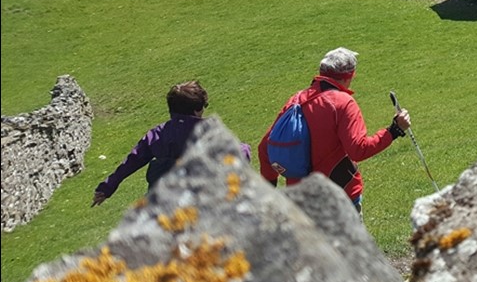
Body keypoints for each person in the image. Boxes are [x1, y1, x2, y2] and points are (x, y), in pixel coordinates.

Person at [258, 47, 410, 212]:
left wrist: (269, 189)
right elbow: (359, 149)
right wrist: (394, 131)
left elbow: (264, 147)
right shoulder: (343, 103)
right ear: (350, 76)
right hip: (339, 195)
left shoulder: (296, 100)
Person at [93, 81, 249, 206]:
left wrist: (107, 187)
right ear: (197, 109)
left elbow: (132, 160)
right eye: (204, 106)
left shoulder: (157, 133)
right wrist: (246, 148)